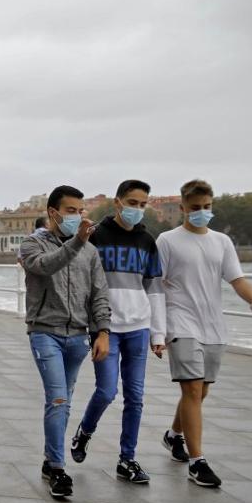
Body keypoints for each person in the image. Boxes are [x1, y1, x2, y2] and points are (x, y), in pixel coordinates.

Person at [157, 179, 252, 488]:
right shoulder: (167, 241)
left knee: (200, 392)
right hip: (180, 322)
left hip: (213, 325)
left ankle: (174, 436)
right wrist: (156, 330)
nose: (202, 212)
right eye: (195, 208)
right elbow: (154, 285)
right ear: (182, 207)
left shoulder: (222, 242)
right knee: (192, 390)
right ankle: (198, 462)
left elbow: (236, 278)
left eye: (207, 207)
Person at [19, 185, 111, 500]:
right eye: (71, 210)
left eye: (80, 211)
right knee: (57, 398)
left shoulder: (90, 251)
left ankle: (49, 459)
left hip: (78, 337)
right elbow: (46, 266)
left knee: (65, 400)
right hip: (45, 332)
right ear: (53, 212)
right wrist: (77, 242)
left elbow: (100, 293)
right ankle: (58, 469)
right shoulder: (32, 244)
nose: (77, 216)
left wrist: (103, 332)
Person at [70, 180, 164, 485]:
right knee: (107, 390)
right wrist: (95, 328)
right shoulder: (96, 236)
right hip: (105, 328)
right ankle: (85, 431)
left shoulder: (148, 241)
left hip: (138, 327)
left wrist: (158, 334)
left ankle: (127, 459)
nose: (138, 209)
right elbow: (83, 283)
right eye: (133, 202)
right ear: (118, 203)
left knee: (135, 397)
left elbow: (155, 288)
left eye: (143, 204)